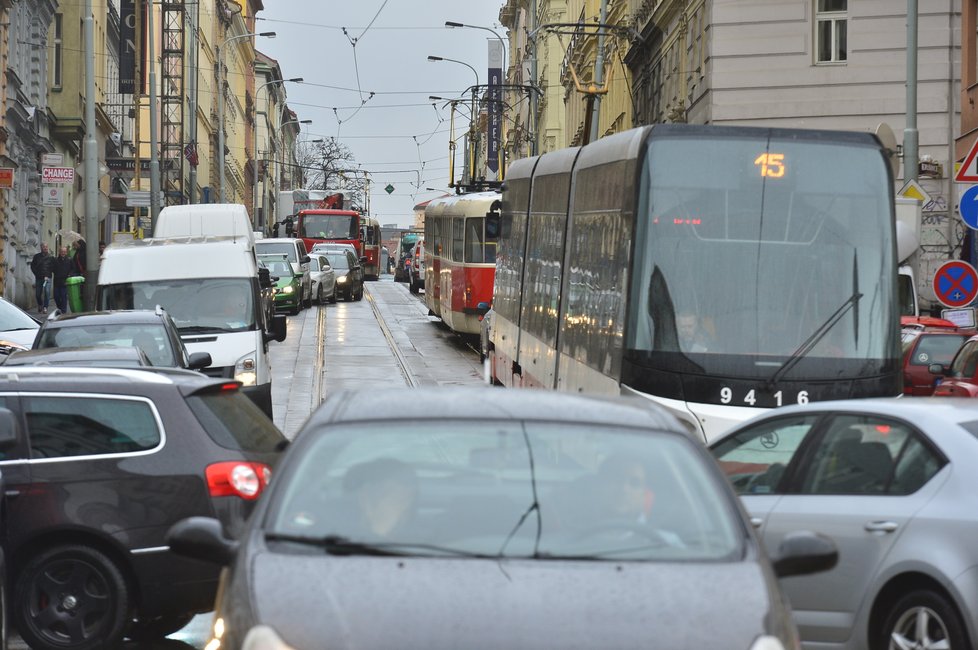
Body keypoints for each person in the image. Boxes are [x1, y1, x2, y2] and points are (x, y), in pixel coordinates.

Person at [342, 458, 419, 539]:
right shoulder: (338, 529)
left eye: (408, 499)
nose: (404, 507)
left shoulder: (422, 536)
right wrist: (379, 528)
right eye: (393, 498)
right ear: (364, 496)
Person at [30, 243, 53, 314]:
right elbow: (32, 266)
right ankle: (40, 304)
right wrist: (36, 274)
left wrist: (47, 275)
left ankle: (45, 307)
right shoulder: (36, 256)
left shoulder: (51, 257)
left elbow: (53, 267)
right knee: (37, 294)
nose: (45, 248)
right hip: (39, 278)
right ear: (41, 248)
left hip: (47, 278)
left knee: (47, 292)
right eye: (44, 247)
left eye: (46, 247)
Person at [51, 246, 73, 313]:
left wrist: (70, 275)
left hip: (65, 281)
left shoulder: (69, 260)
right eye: (62, 251)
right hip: (57, 281)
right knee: (56, 296)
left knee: (64, 297)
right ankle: (59, 307)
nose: (63, 253)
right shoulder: (55, 260)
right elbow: (52, 268)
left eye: (64, 251)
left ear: (66, 252)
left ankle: (63, 311)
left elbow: (73, 268)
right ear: (59, 252)